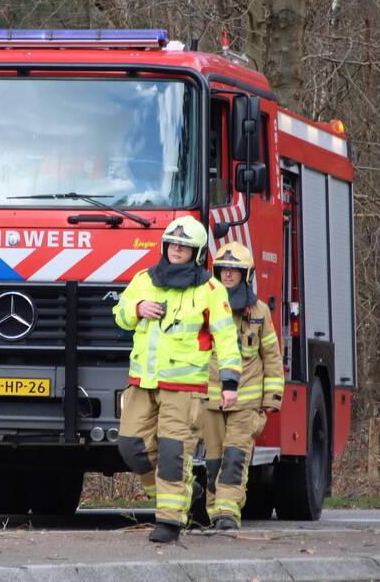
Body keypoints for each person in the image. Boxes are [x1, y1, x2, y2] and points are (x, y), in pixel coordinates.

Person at [113, 216, 242, 543]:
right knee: (131, 446)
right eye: (172, 244)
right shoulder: (144, 279)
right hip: (142, 382)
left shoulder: (210, 290)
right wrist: (137, 308)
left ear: (196, 253)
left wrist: (229, 384)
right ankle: (184, 492)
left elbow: (227, 339)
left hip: (184, 389)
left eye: (184, 246)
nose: (176, 250)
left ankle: (169, 522)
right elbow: (120, 315)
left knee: (173, 453)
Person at [202, 241, 285, 530]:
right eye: (223, 269)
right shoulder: (205, 305)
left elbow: (271, 354)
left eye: (234, 270)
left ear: (246, 274)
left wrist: (272, 396)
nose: (227, 274)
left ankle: (227, 513)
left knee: (235, 457)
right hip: (211, 399)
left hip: (246, 402)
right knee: (214, 460)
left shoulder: (259, 311)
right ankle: (214, 512)